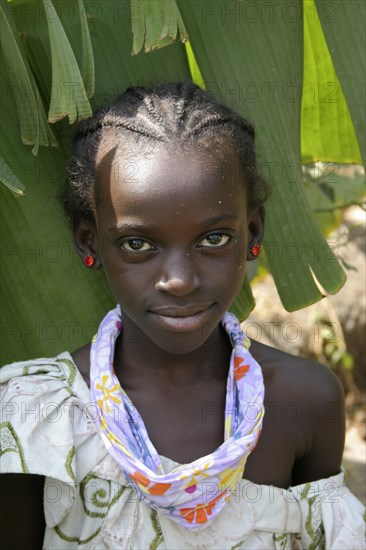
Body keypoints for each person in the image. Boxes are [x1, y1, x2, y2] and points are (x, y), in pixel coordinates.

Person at [0, 83, 364, 549]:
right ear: (90, 242)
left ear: (252, 231)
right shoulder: (36, 416)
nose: (180, 280)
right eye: (138, 244)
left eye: (213, 239)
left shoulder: (305, 401)